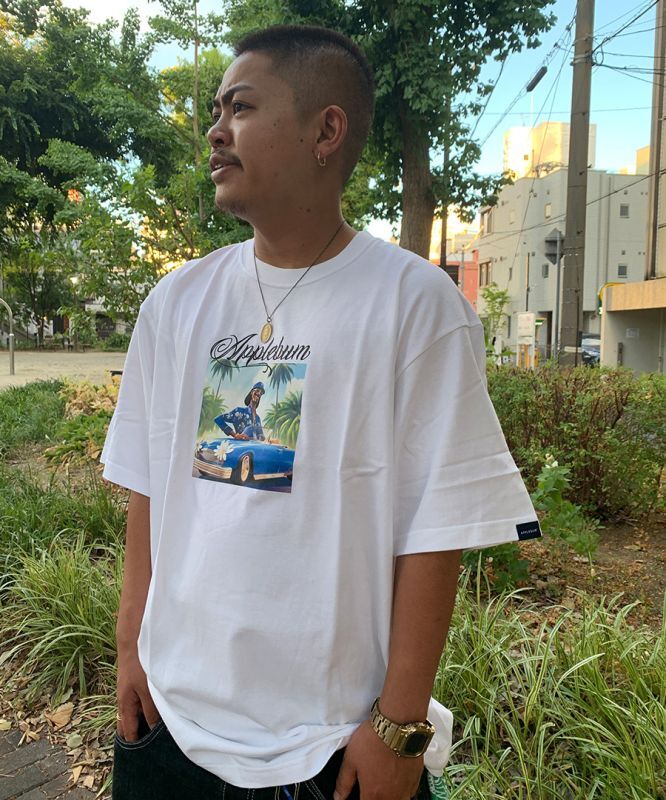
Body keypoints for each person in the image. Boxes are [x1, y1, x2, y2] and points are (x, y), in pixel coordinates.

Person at [102, 24, 541, 800]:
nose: (215, 130)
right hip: (170, 724)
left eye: (241, 107)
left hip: (331, 748)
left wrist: (400, 727)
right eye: (216, 110)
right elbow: (146, 483)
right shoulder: (175, 302)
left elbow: (436, 528)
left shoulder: (414, 306)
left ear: (325, 131)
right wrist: (130, 648)